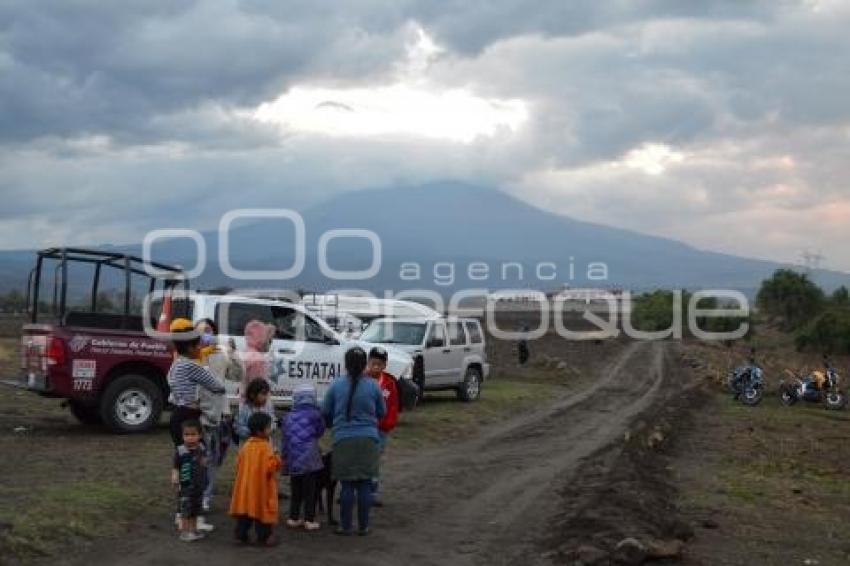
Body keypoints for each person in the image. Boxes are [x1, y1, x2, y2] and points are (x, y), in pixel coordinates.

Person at [321, 347, 386, 536]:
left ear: (346, 364)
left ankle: (345, 526)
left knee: (347, 485)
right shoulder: (374, 386)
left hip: (343, 440)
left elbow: (325, 411)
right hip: (368, 440)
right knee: (365, 484)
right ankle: (364, 526)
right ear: (365, 363)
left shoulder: (336, 385)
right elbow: (381, 412)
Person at [167, 318, 226, 447]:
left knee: (183, 456)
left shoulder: (176, 364)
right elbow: (218, 386)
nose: (200, 348)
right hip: (190, 418)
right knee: (197, 456)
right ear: (189, 348)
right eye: (198, 345)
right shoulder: (192, 366)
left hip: (177, 416)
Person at [194, 318, 231, 514]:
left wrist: (231, 355)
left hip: (223, 413)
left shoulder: (221, 353)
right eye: (200, 332)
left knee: (217, 457)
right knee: (205, 456)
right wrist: (201, 355)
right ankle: (203, 497)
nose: (205, 335)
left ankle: (205, 493)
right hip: (203, 414)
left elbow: (237, 375)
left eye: (208, 330)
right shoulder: (192, 356)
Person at [229, 412, 282, 546]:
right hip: (261, 488)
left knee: (245, 513)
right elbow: (271, 467)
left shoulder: (246, 446)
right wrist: (277, 456)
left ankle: (240, 536)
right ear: (260, 431)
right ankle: (264, 537)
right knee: (262, 511)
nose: (270, 429)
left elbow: (239, 463)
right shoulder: (266, 447)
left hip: (246, 487)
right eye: (268, 427)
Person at [282, 384, 326, 530]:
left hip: (293, 459)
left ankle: (293, 518)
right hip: (310, 459)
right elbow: (320, 431)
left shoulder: (287, 417)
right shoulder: (315, 414)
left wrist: (285, 461)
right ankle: (309, 519)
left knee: (296, 490)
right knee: (310, 491)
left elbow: (285, 439)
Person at [366, 346, 399, 507]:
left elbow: (393, 406)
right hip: (364, 428)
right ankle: (354, 490)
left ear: (385, 365)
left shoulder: (389, 383)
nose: (376, 367)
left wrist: (388, 424)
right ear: (368, 363)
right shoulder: (361, 380)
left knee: (374, 461)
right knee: (360, 459)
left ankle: (372, 492)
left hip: (380, 430)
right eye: (373, 363)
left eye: (380, 364)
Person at [172, 419, 208, 542]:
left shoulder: (202, 448)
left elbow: (204, 463)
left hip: (199, 486)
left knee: (195, 510)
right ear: (182, 436)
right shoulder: (180, 451)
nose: (190, 438)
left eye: (193, 435)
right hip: (186, 487)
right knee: (186, 510)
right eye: (186, 435)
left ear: (199, 435)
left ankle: (193, 530)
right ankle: (185, 532)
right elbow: (176, 467)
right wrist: (175, 477)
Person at [235, 378, 276, 444]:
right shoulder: (245, 410)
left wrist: (268, 429)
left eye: (266, 394)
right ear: (252, 395)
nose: (265, 397)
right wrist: (254, 432)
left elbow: (273, 422)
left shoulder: (267, 409)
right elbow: (238, 427)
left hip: (265, 446)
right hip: (249, 447)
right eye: (263, 394)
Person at [240, 320, 275, 399]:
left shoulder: (247, 352)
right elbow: (257, 388)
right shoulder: (257, 360)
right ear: (261, 339)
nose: (270, 344)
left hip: (244, 400)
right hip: (255, 404)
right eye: (269, 340)